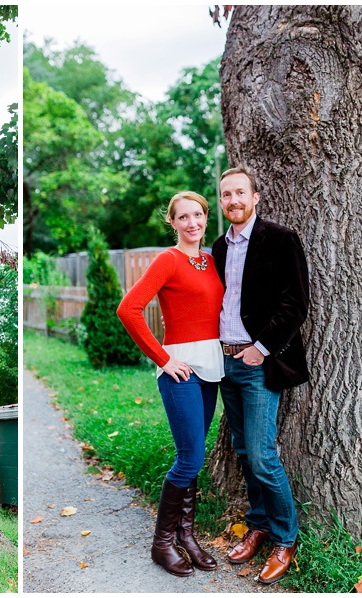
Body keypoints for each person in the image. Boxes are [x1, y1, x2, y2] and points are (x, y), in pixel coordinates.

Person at [117, 191, 224, 577]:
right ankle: (162, 543)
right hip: (181, 370)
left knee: (194, 455)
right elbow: (128, 309)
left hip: (212, 369)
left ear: (206, 218)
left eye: (198, 215)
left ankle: (188, 536)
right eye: (184, 217)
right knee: (190, 457)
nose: (192, 223)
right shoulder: (168, 259)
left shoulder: (211, 260)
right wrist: (163, 358)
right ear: (173, 222)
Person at [212, 166, 309, 585]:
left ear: (255, 197)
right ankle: (258, 525)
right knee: (244, 452)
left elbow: (296, 302)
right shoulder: (218, 247)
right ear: (221, 202)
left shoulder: (280, 239)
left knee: (263, 454)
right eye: (225, 194)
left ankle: (285, 539)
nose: (233, 200)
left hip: (258, 363)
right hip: (224, 364)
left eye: (240, 193)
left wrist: (260, 349)